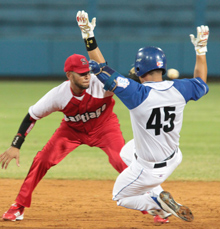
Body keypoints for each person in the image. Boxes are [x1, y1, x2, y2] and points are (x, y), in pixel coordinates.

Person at [76, 10, 209, 223]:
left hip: (149, 168)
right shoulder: (180, 88)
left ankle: (159, 204)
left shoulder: (136, 94)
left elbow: (103, 68)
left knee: (119, 196)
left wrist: (88, 36)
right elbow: (201, 81)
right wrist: (201, 50)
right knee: (126, 151)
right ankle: (158, 194)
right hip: (174, 156)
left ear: (138, 69)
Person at [0, 53, 129, 221]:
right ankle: (18, 206)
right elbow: (31, 116)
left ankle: (154, 205)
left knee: (122, 160)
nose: (86, 75)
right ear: (69, 75)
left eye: (87, 71)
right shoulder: (58, 94)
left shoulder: (101, 84)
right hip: (71, 130)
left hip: (105, 127)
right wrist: (16, 145)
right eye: (81, 73)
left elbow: (127, 88)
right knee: (42, 159)